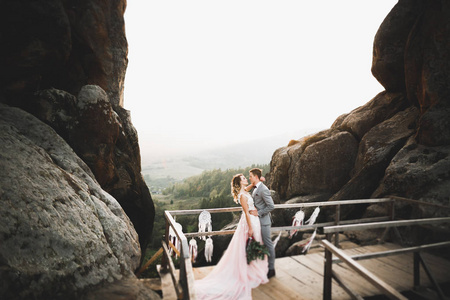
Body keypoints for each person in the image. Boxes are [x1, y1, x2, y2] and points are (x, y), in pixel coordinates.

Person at [194, 174, 268, 299]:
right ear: (239, 183)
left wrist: (257, 181)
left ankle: (251, 269)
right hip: (249, 222)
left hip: (255, 220)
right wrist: (250, 228)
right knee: (249, 245)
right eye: (244, 178)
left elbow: (249, 188)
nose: (246, 179)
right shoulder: (242, 196)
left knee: (255, 245)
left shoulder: (245, 191)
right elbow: (246, 213)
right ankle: (245, 271)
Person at [247, 168, 276, 278]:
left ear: (256, 177)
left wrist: (258, 213)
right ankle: (260, 268)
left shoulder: (263, 189)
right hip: (256, 222)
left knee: (268, 244)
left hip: (264, 222)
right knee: (259, 244)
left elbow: (271, 206)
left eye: (250, 176)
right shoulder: (256, 188)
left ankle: (272, 269)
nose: (249, 178)